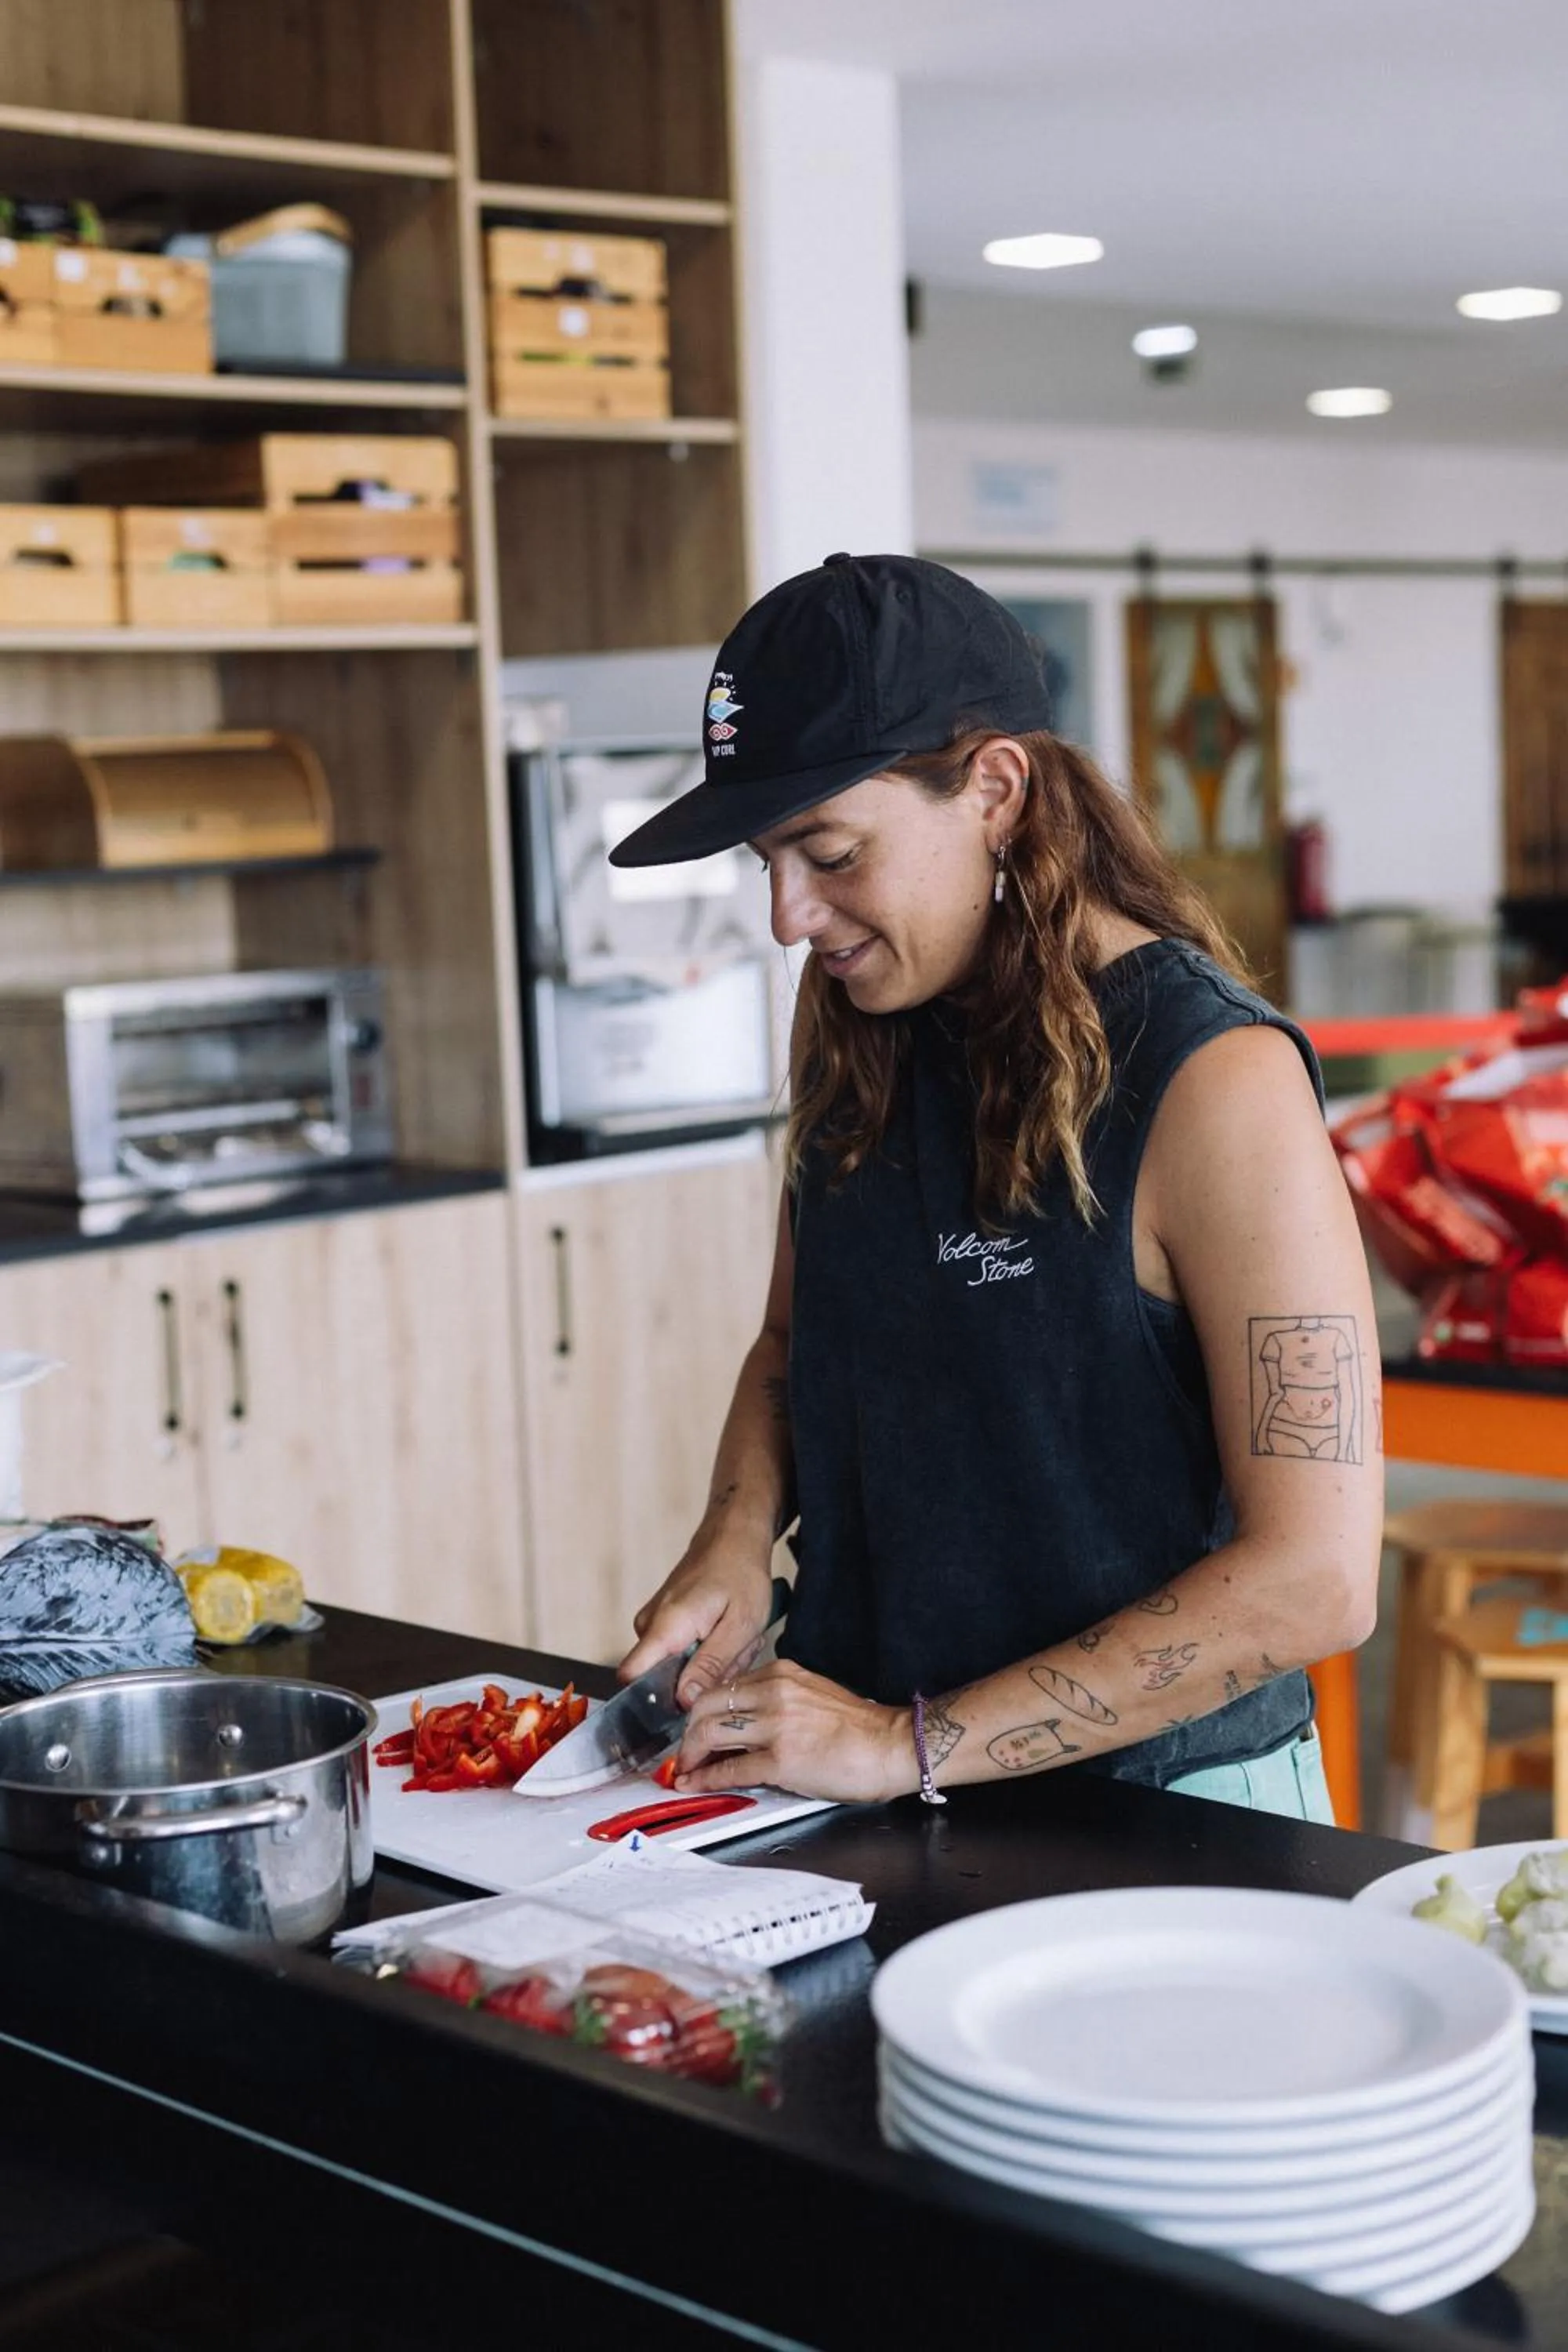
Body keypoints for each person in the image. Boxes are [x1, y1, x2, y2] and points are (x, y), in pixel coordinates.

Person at [608, 552, 1381, 1820]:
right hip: (867, 1787)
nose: (790, 918)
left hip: (1171, 1819)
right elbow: (795, 1345)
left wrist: (903, 1744)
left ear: (996, 790)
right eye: (767, 864)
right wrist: (736, 1537)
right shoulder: (859, 1018)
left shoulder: (1212, 1078)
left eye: (832, 852)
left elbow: (1317, 1577)